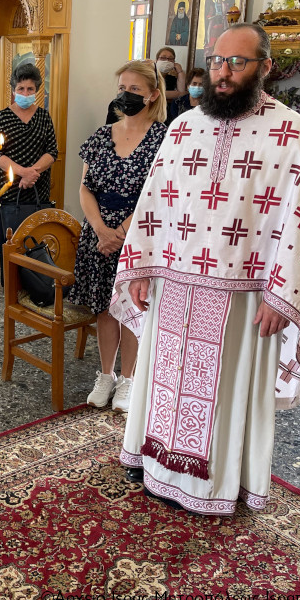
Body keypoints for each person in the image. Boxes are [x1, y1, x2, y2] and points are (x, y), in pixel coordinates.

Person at [109, 24, 300, 516]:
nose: (223, 73)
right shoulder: (184, 127)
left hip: (244, 297)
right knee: (164, 379)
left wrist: (284, 295)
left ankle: (220, 484)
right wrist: (144, 266)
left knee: (228, 393)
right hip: (174, 288)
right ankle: (155, 466)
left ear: (265, 68)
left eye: (237, 63)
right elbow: (155, 203)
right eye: (216, 62)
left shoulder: (289, 131)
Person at [70, 60, 167, 413]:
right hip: (98, 234)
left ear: (153, 95)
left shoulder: (164, 139)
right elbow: (84, 188)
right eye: (122, 88)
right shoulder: (100, 136)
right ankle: (106, 375)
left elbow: (156, 194)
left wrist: (122, 232)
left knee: (131, 308)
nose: (125, 95)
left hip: (139, 234)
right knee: (105, 308)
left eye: (134, 90)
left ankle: (128, 379)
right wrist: (100, 229)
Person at [0, 63, 58, 258]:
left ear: (36, 90)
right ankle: (11, 286)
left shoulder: (44, 116)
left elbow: (52, 151)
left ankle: (36, 284)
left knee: (37, 242)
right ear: (14, 90)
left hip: (38, 189)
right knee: (11, 243)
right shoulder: (2, 117)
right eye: (21, 88)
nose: (25, 92)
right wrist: (23, 173)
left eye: (30, 89)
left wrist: (32, 173)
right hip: (10, 189)